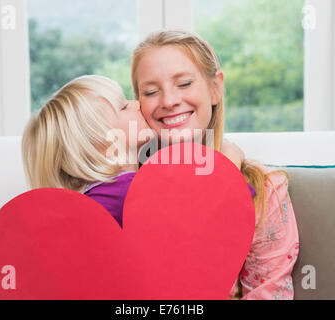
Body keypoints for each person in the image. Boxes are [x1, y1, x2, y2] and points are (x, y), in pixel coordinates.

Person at [131, 29, 300, 300]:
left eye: (184, 84)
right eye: (151, 91)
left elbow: (268, 292)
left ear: (215, 89)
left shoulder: (263, 187)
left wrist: (225, 174)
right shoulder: (126, 190)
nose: (169, 101)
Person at [22, 75, 152, 227]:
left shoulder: (91, 196)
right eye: (123, 107)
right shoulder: (130, 189)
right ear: (104, 145)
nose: (136, 104)